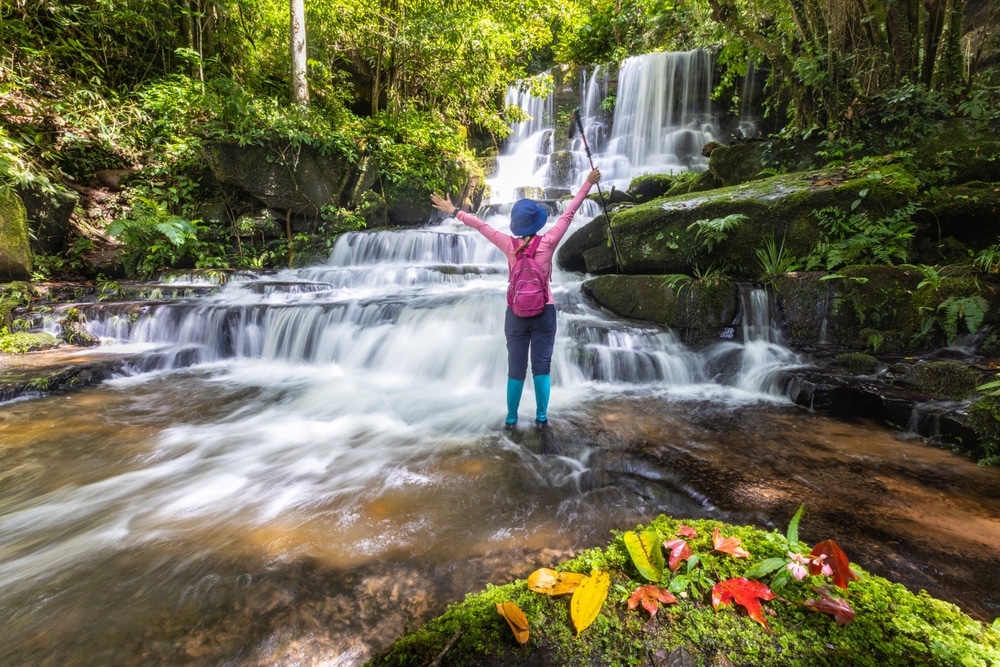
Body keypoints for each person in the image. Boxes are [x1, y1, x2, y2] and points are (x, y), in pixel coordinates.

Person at [430, 168, 602, 430]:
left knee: (516, 370)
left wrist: (454, 211)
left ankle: (511, 418)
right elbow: (570, 213)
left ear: (516, 226)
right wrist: (587, 184)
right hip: (545, 311)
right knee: (541, 368)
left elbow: (481, 226)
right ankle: (541, 417)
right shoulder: (549, 242)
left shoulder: (507, 244)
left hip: (516, 314)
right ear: (537, 224)